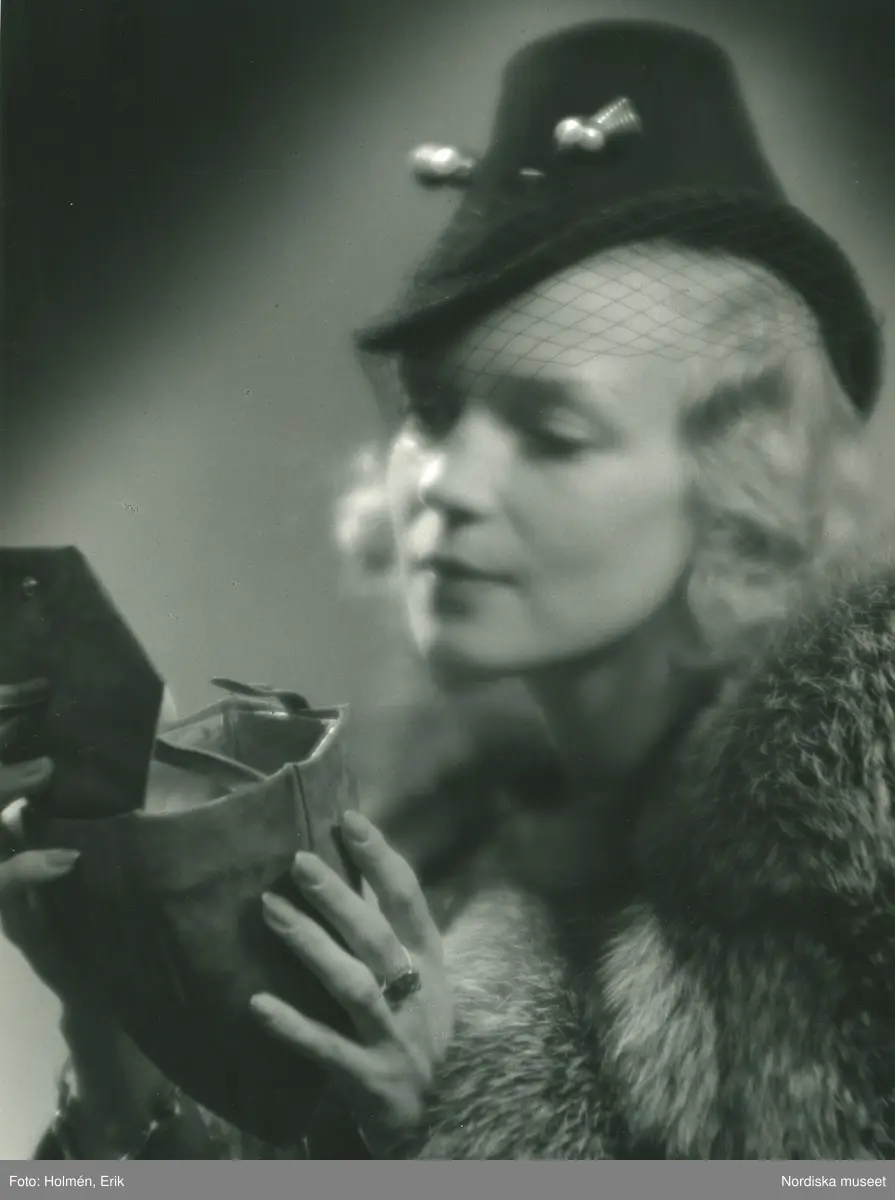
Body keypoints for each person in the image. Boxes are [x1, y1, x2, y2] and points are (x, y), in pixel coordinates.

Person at [3, 20, 894, 1159]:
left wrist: (432, 1129)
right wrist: (115, 1028)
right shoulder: (423, 847)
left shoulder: (853, 883)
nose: (442, 484)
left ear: (731, 483)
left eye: (552, 430)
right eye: (431, 413)